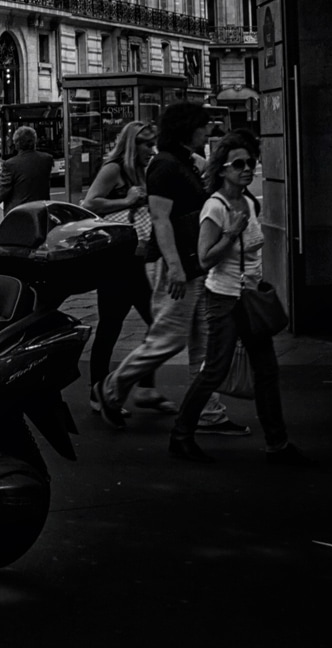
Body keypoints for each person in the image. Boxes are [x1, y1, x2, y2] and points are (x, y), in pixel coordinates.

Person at [169, 133, 310, 465]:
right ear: (222, 170)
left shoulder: (247, 201)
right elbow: (204, 259)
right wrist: (231, 232)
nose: (247, 169)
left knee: (266, 370)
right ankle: (181, 434)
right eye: (239, 164)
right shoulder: (215, 207)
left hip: (248, 298)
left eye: (251, 162)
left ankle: (277, 443)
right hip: (224, 299)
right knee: (215, 370)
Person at [105, 102, 242, 434]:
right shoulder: (166, 165)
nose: (207, 131)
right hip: (175, 264)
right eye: (202, 125)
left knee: (201, 340)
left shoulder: (181, 161)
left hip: (190, 262)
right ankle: (110, 389)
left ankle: (208, 412)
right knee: (169, 339)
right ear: (187, 128)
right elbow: (160, 219)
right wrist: (176, 267)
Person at [82, 120, 159, 427]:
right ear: (132, 144)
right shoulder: (114, 168)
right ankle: (98, 390)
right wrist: (125, 200)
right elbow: (89, 203)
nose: (151, 150)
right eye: (145, 144)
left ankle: (144, 387)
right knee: (111, 325)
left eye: (153, 144)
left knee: (155, 322)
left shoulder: (143, 170)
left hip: (135, 259)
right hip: (116, 260)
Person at [0, 125, 54, 210]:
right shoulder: (47, 159)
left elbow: (4, 189)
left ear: (17, 144)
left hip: (19, 212)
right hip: (41, 209)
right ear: (35, 141)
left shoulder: (10, 164)